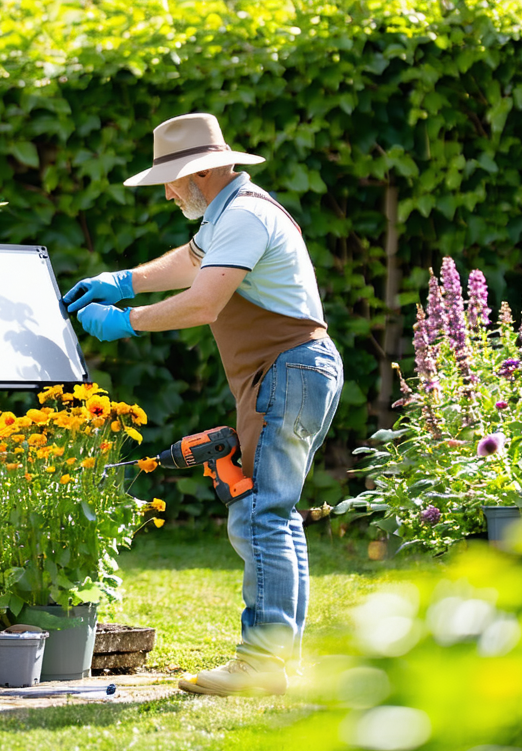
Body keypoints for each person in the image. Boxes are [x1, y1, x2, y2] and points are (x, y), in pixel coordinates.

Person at [62, 113, 343, 697]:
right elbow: (190, 263)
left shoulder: (243, 216)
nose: (166, 191)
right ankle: (278, 661)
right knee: (277, 513)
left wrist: (126, 322)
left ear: (206, 170)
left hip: (286, 370)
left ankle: (260, 665)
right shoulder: (230, 217)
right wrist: (124, 280)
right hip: (295, 370)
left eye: (172, 178)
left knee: (260, 511)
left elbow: (203, 301)